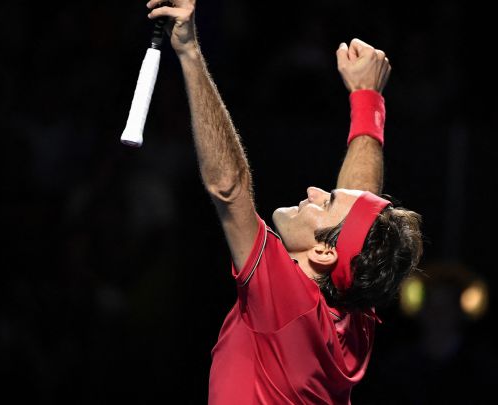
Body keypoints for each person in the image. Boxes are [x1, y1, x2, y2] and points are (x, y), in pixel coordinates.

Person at [146, 1, 424, 403]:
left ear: (326, 252)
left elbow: (228, 187)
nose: (313, 190)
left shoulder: (288, 299)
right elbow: (361, 199)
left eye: (324, 202)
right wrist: (366, 100)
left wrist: (188, 50)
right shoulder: (354, 315)